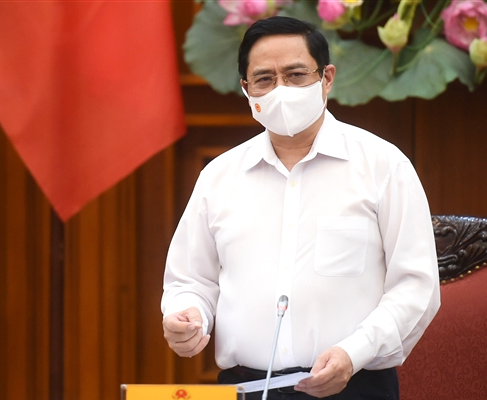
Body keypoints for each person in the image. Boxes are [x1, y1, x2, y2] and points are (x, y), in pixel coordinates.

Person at [161, 16, 440, 400]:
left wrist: (353, 353)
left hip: (352, 386)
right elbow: (190, 280)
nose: (280, 90)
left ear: (326, 78)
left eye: (295, 75)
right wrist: (187, 314)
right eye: (264, 79)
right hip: (245, 388)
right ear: (246, 89)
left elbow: (416, 285)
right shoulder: (219, 177)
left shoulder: (383, 166)